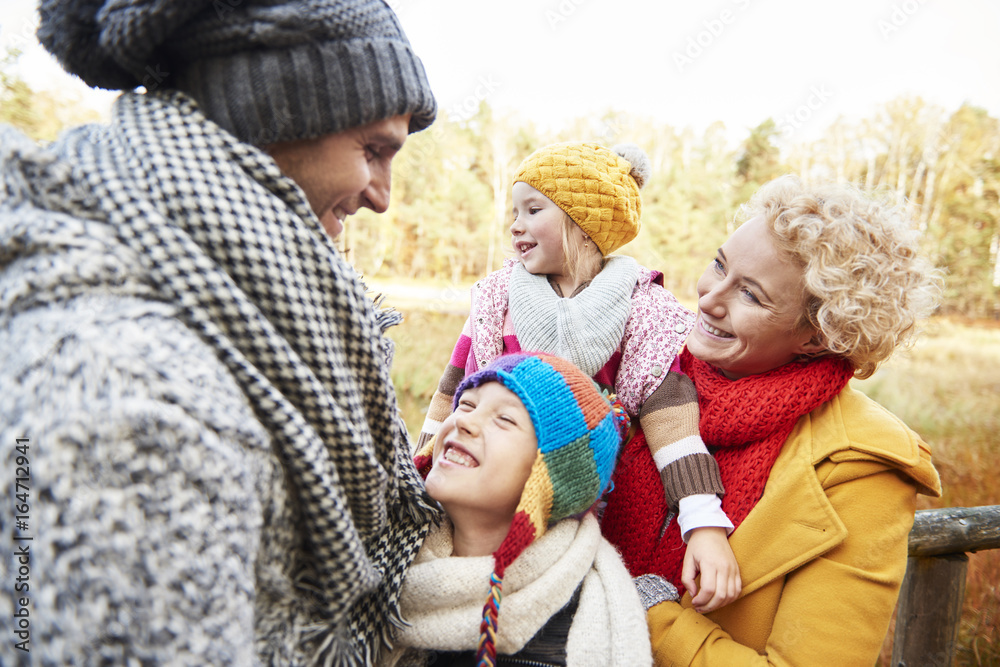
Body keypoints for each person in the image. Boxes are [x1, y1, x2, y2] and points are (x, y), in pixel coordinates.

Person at [0, 0, 439, 664]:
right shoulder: (136, 409)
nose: (382, 195)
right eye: (374, 150)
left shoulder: (204, 313)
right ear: (277, 110)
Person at [604, 175, 943, 665]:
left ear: (816, 335)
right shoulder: (640, 372)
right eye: (718, 265)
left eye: (751, 295)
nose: (707, 299)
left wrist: (652, 615)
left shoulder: (860, 467)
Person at [417, 142, 741, 611]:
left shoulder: (643, 312)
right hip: (484, 502)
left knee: (560, 611)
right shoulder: (497, 301)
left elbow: (674, 425)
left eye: (533, 209)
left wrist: (704, 522)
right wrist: (418, 469)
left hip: (584, 510)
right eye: (514, 211)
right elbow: (449, 396)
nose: (515, 225)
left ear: (583, 225)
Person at [385, 352, 652, 667]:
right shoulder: (377, 558)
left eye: (504, 419)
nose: (464, 420)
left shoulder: (569, 635)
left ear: (552, 478)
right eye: (466, 404)